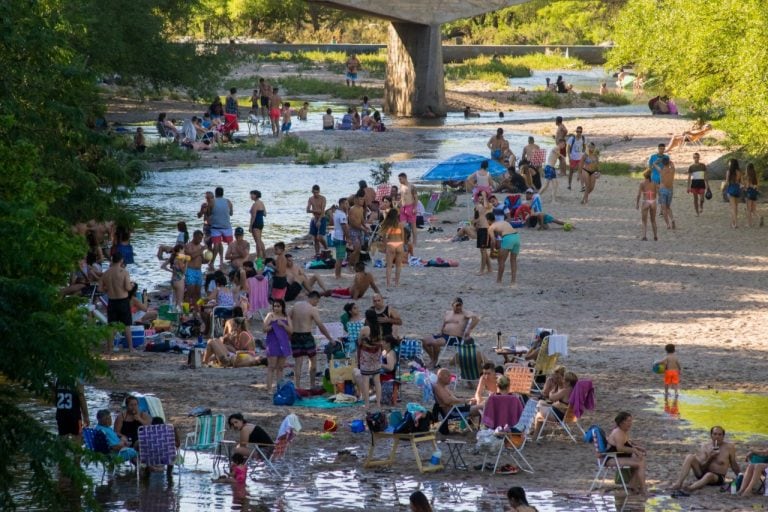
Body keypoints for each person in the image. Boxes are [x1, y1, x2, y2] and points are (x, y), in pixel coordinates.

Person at [670, 426, 740, 495]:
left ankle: (690, 488)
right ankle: (678, 483)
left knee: (709, 475)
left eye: (719, 434)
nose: (717, 436)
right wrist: (710, 457)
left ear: (723, 436)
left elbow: (733, 464)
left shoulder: (729, 447)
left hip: (717, 477)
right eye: (715, 434)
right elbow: (702, 466)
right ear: (711, 435)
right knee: (690, 457)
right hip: (703, 472)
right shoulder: (705, 446)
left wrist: (740, 476)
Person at [289, 291, 335, 389]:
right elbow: (320, 325)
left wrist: (290, 333)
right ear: (314, 298)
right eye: (317, 301)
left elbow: (288, 318)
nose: (316, 303)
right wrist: (330, 338)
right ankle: (312, 384)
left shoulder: (295, 306)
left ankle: (297, 386)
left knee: (298, 362)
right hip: (306, 336)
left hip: (295, 335)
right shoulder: (312, 309)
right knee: (313, 360)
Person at [422, 297, 480, 367]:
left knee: (435, 343)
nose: (458, 307)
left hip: (454, 337)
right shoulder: (448, 313)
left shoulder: (465, 313)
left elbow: (476, 318)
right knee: (425, 340)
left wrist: (469, 329)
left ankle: (435, 360)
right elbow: (444, 323)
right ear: (452, 305)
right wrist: (441, 331)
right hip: (443, 335)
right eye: (457, 306)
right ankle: (432, 358)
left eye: (460, 305)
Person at [99, 252, 134, 352]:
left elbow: (100, 289)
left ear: (112, 260)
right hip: (123, 300)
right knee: (126, 325)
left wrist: (108, 289)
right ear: (121, 260)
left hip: (112, 301)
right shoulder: (124, 272)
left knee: (111, 325)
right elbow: (127, 287)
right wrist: (131, 286)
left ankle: (109, 348)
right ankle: (131, 348)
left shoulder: (106, 273)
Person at [606, 412, 647, 495]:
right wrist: (634, 451)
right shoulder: (618, 433)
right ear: (621, 422)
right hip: (611, 459)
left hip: (616, 456)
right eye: (628, 421)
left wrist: (637, 448)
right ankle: (643, 489)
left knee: (640, 459)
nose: (630, 423)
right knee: (640, 463)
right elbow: (620, 448)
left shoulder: (622, 431)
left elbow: (628, 444)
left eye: (631, 421)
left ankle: (633, 486)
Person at [533, 371, 577, 437]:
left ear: (568, 382)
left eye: (564, 379)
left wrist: (552, 390)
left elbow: (552, 398)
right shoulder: (574, 390)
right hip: (567, 414)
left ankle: (535, 435)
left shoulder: (565, 391)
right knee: (540, 404)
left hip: (559, 415)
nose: (563, 381)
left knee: (537, 408)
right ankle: (535, 433)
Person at [263, 299, 292, 394]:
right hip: (272, 343)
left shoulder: (286, 317)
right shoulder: (270, 316)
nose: (276, 308)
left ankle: (279, 387)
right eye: (275, 306)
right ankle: (269, 388)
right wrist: (273, 326)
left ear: (282, 307)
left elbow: (291, 331)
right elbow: (264, 328)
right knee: (271, 367)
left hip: (283, 343)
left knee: (280, 368)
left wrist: (282, 324)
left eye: (278, 306)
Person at [357, 309, 383, 408]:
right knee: (377, 380)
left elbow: (359, 341)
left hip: (366, 355)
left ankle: (367, 404)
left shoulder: (364, 329)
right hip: (376, 354)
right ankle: (378, 403)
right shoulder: (379, 327)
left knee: (365, 380)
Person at [487, 212, 520, 285]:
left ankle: (499, 281)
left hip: (508, 238)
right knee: (513, 261)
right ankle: (513, 282)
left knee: (501, 261)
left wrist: (492, 251)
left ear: (488, 220)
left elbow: (493, 241)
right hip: (517, 237)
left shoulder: (491, 227)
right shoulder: (503, 222)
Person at [54, 378, 89, 442]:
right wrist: (86, 416)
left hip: (61, 413)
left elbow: (54, 396)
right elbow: (81, 397)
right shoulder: (77, 379)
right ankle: (77, 451)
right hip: (75, 415)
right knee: (78, 437)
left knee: (62, 437)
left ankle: (62, 451)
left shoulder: (58, 379)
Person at [379, 208, 405, 287]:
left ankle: (388, 284)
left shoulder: (387, 225)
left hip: (391, 244)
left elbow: (384, 238)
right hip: (399, 244)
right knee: (398, 266)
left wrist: (385, 246)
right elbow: (403, 237)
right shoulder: (400, 224)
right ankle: (396, 284)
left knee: (389, 266)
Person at [209, 187, 234, 268]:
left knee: (216, 246)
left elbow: (209, 213)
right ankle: (231, 260)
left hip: (215, 227)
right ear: (223, 193)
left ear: (215, 193)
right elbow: (231, 213)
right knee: (230, 244)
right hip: (226, 226)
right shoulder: (228, 202)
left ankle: (212, 263)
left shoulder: (212, 201)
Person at [347, 192, 369, 268]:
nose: (362, 201)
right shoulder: (352, 209)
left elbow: (362, 219)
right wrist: (362, 228)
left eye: (363, 199)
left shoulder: (361, 208)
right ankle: (349, 264)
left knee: (359, 250)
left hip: (360, 230)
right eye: (361, 199)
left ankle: (356, 264)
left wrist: (365, 226)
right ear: (356, 200)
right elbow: (353, 223)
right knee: (356, 249)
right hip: (353, 231)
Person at [636, 169, 659, 241]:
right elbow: (657, 193)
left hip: (646, 201)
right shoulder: (654, 183)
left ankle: (644, 236)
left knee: (644, 221)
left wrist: (637, 203)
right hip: (653, 201)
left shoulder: (642, 183)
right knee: (653, 220)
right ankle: (655, 236)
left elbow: (639, 194)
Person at [398, 173, 419, 248]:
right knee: (402, 226)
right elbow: (402, 197)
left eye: (400, 179)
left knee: (413, 225)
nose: (399, 180)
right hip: (403, 208)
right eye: (399, 179)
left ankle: (414, 242)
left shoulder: (412, 187)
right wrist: (399, 204)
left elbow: (416, 198)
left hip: (410, 207)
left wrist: (415, 208)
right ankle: (405, 241)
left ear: (405, 178)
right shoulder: (401, 186)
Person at [473, 195, 492, 275]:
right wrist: (475, 223)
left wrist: (484, 196)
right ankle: (489, 268)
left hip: (485, 230)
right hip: (480, 230)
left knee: (483, 250)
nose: (480, 200)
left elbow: (486, 206)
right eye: (479, 199)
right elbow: (476, 218)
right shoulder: (477, 207)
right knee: (482, 250)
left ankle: (482, 270)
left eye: (482, 199)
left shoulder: (487, 206)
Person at [307, 185, 328, 257]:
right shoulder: (310, 199)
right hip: (314, 218)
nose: (315, 194)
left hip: (322, 218)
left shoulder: (323, 198)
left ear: (319, 191)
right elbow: (307, 210)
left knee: (320, 237)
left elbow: (322, 211)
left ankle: (326, 248)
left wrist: (319, 220)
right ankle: (317, 253)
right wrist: (317, 211)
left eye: (316, 192)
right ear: (312, 191)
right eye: (313, 192)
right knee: (315, 238)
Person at [332, 197, 349, 279]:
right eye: (346, 203)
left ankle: (338, 274)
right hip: (340, 238)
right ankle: (337, 275)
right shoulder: (341, 214)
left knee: (339, 257)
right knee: (340, 258)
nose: (348, 205)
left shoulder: (337, 212)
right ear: (341, 204)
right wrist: (348, 238)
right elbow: (344, 227)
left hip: (336, 236)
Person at [658, 155, 676, 230]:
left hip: (663, 190)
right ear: (668, 162)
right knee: (668, 207)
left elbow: (654, 164)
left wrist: (659, 160)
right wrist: (670, 162)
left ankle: (668, 225)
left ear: (662, 163)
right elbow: (672, 165)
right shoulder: (672, 170)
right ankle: (672, 219)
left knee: (664, 208)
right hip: (670, 190)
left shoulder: (661, 170)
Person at [566, 127, 586, 191]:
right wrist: (569, 157)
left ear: (581, 132)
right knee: (571, 172)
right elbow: (568, 148)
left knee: (580, 171)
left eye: (580, 132)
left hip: (580, 158)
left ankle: (582, 186)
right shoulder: (572, 138)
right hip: (573, 158)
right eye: (577, 131)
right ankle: (569, 185)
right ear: (576, 131)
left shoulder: (583, 138)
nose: (579, 133)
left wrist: (584, 155)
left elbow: (585, 147)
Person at [725, 158, 743, 229]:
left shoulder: (728, 171)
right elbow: (741, 182)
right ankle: (733, 223)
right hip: (737, 189)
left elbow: (726, 182)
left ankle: (735, 223)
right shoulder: (739, 172)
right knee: (736, 207)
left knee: (733, 207)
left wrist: (724, 187)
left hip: (731, 188)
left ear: (731, 164)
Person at [249, 190, 266, 259]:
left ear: (255, 195)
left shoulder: (255, 204)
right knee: (259, 240)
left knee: (257, 242)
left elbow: (253, 216)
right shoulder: (261, 203)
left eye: (252, 195)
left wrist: (250, 226)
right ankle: (264, 256)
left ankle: (259, 258)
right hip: (261, 222)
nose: (250, 196)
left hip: (256, 223)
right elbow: (265, 214)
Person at [743, 162, 760, 227]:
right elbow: (757, 186)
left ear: (747, 169)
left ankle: (749, 224)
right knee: (753, 210)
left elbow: (747, 186)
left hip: (749, 194)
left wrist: (743, 187)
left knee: (749, 210)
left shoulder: (748, 177)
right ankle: (759, 217)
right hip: (754, 194)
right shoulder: (756, 176)